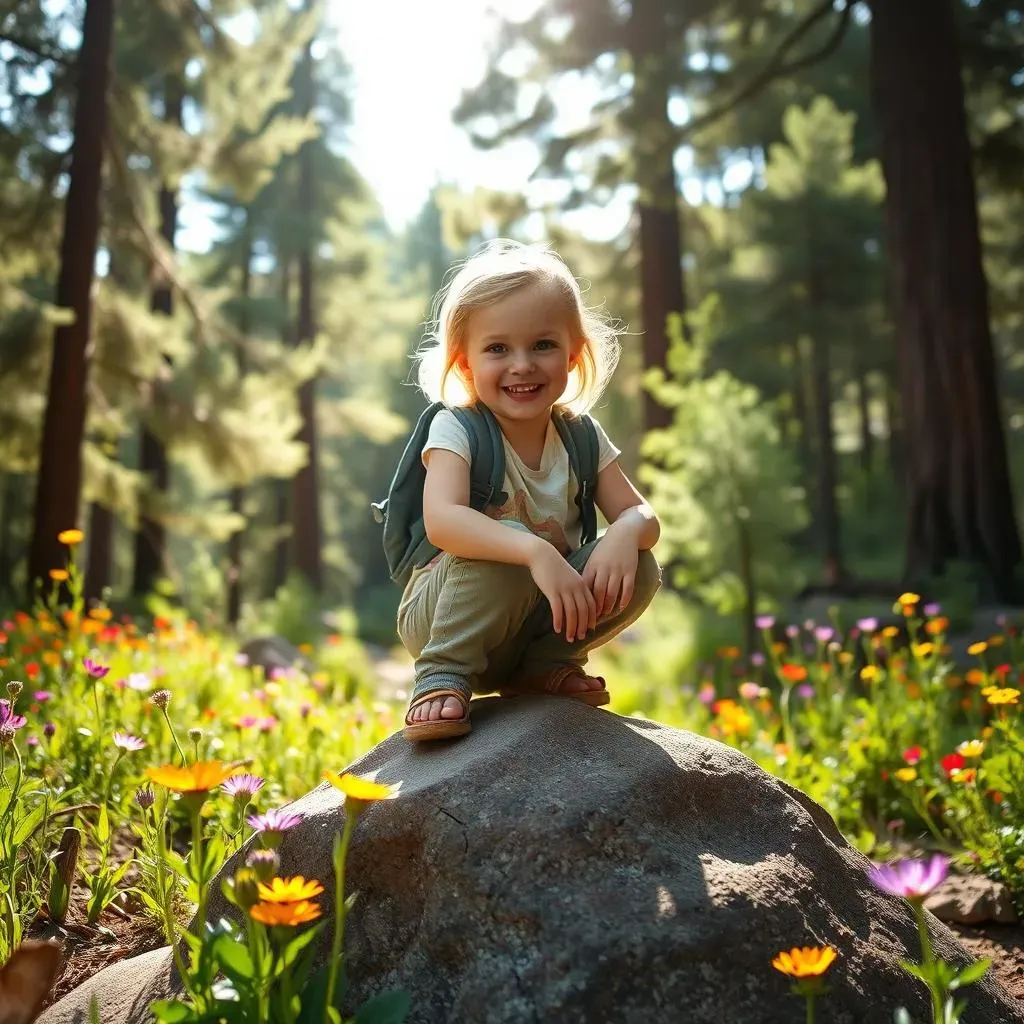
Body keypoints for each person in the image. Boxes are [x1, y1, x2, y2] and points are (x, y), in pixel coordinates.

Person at [399, 239, 662, 742]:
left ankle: (543, 666)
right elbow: (445, 521)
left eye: (543, 345)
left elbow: (643, 515)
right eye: (498, 348)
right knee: (507, 548)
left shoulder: (580, 435)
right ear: (465, 364)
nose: (522, 364)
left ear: (574, 355)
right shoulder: (460, 429)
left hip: (533, 617)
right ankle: (440, 677)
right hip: (447, 610)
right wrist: (535, 550)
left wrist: (625, 532)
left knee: (642, 565)